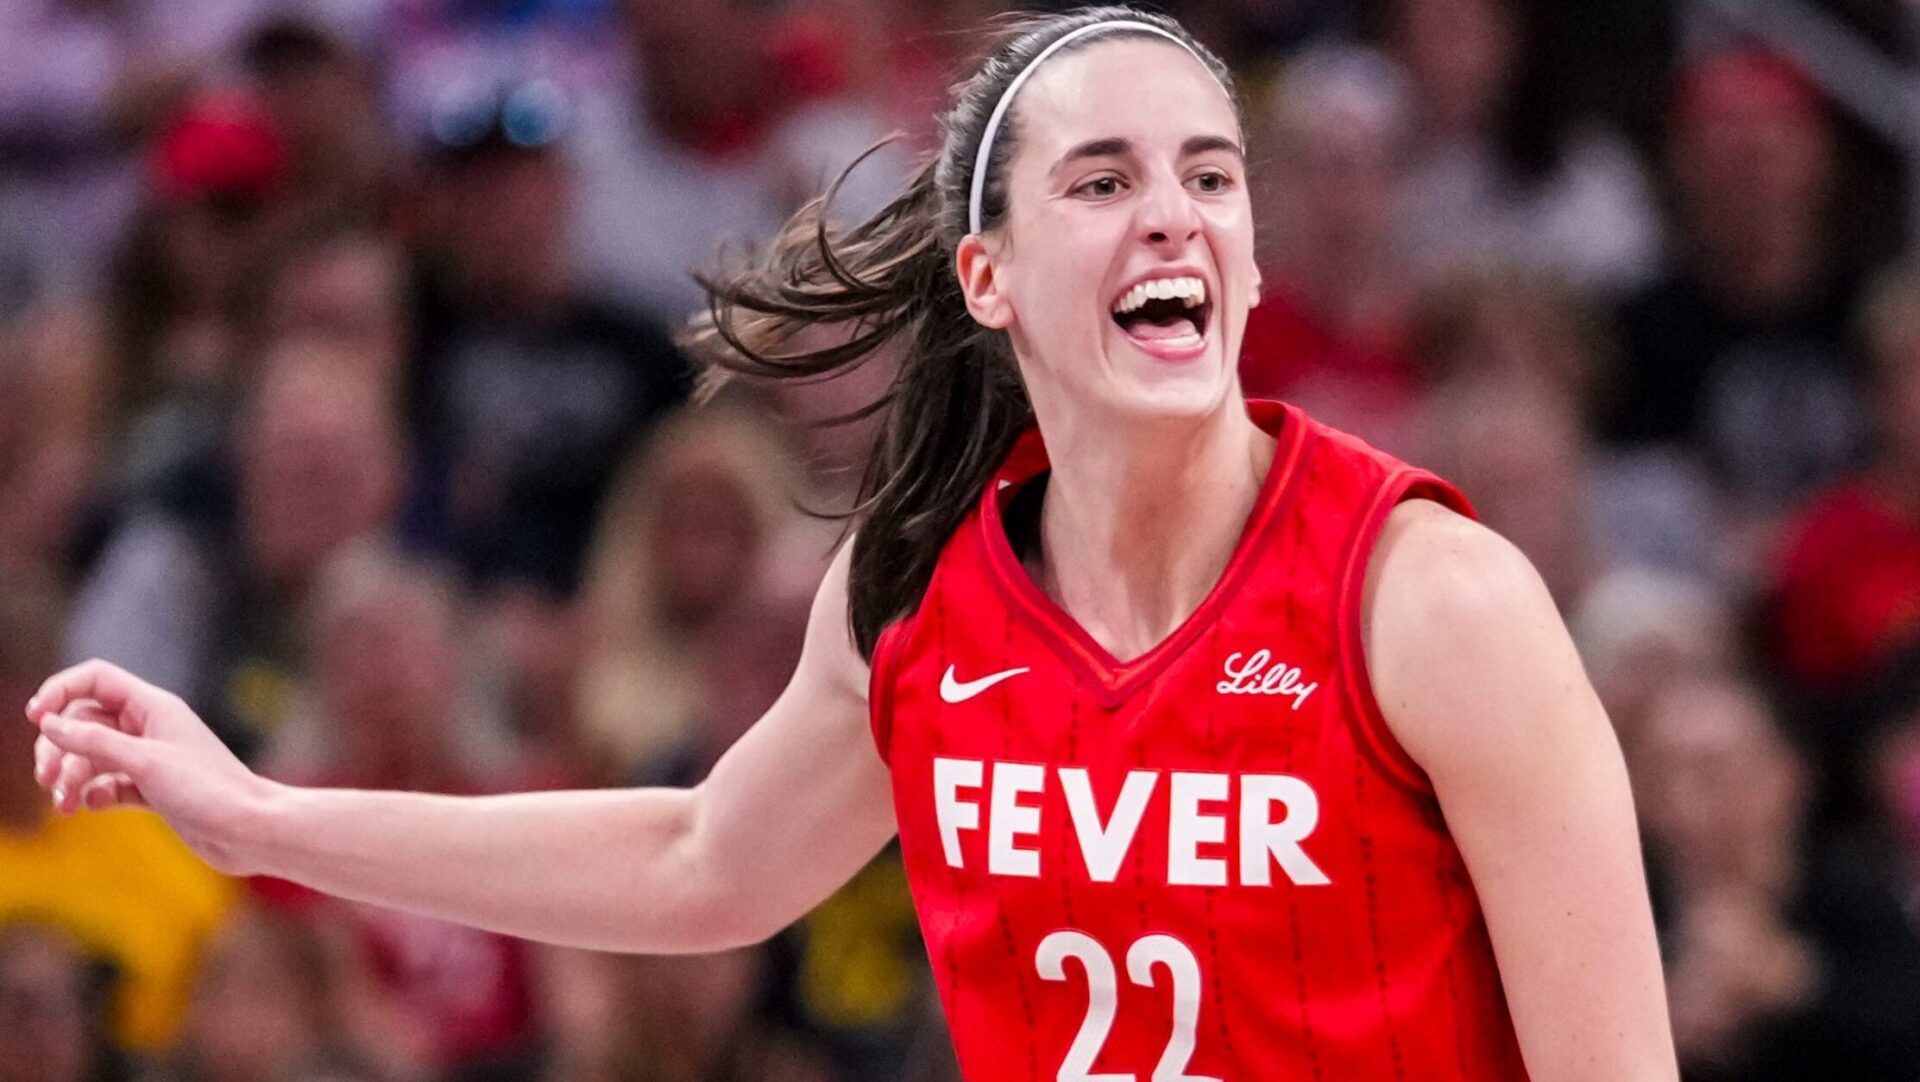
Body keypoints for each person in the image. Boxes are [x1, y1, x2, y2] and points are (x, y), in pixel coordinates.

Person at [24, 8, 1676, 1079]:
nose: (1176, 211)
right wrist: (259, 817)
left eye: (1211, 176)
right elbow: (696, 861)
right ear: (988, 276)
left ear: (1246, 259)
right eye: (1104, 180)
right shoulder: (919, 587)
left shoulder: (1432, 600)